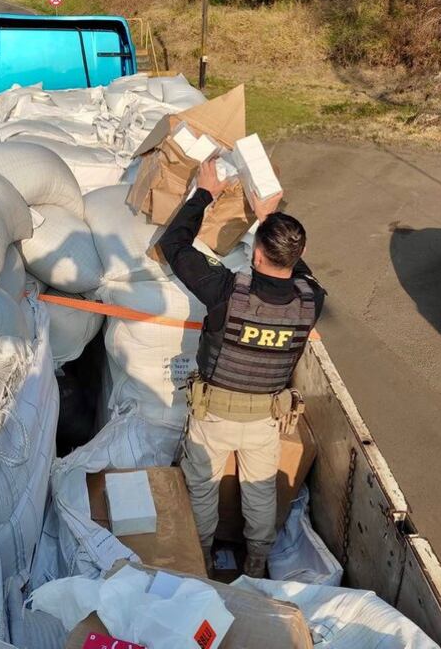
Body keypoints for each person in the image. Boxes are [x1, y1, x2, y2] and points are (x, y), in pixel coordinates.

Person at [157, 159, 326, 577]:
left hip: (214, 415)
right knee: (260, 492)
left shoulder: (227, 290)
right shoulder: (311, 300)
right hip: (266, 419)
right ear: (297, 253)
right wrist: (271, 220)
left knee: (201, 489)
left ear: (258, 252)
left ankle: (198, 562)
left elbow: (174, 246)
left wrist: (205, 193)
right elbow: (302, 273)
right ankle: (255, 564)